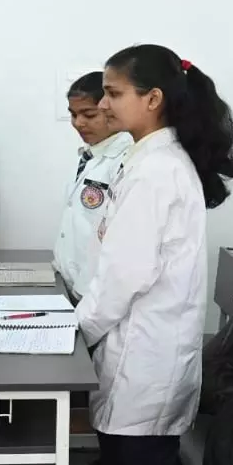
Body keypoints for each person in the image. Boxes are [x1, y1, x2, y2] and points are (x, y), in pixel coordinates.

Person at [78, 44, 233, 465]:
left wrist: (78, 330)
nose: (102, 104)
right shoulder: (150, 159)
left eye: (113, 94)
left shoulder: (156, 170)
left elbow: (127, 274)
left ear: (152, 99)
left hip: (146, 349)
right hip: (141, 343)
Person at [55, 71, 133, 297]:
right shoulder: (89, 156)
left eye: (89, 115)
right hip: (73, 286)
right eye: (73, 115)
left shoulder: (126, 160)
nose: (78, 123)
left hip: (99, 295)